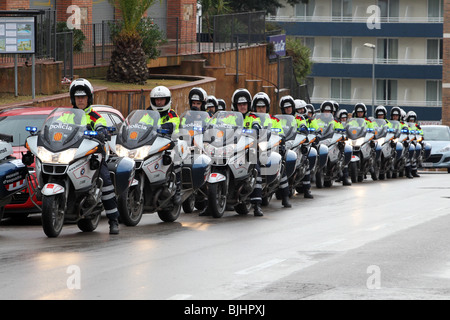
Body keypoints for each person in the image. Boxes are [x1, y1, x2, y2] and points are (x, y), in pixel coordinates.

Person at [69, 78, 120, 235]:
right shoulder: (67, 116)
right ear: (73, 99)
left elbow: (101, 126)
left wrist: (102, 131)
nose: (80, 100)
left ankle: (114, 221)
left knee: (105, 181)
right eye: (78, 97)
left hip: (93, 156)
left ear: (89, 98)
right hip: (73, 155)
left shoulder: (96, 117)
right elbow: (56, 128)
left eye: (83, 97)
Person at [252, 92, 291, 208]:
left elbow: (282, 135)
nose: (260, 109)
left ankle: (285, 197)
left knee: (281, 165)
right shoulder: (250, 119)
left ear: (267, 107)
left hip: (270, 148)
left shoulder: (274, 120)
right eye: (258, 107)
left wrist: (281, 143)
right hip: (254, 149)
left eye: (262, 107)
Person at [147, 86, 182, 203]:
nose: (159, 102)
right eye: (156, 100)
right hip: (151, 145)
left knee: (176, 161)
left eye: (162, 99)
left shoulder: (172, 114)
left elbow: (172, 124)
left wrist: (162, 128)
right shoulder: (148, 113)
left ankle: (178, 190)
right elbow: (139, 125)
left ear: (167, 100)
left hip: (169, 144)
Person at [232, 88, 264, 216]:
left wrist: (255, 129)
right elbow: (219, 125)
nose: (242, 107)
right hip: (232, 148)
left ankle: (257, 205)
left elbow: (257, 126)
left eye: (244, 104)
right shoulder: (231, 117)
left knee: (255, 168)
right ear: (236, 105)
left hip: (249, 149)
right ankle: (209, 203)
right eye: (240, 104)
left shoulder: (253, 117)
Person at [320, 101, 351, 186]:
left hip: (331, 141)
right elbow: (313, 128)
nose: (327, 113)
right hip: (321, 141)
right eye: (325, 111)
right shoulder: (317, 121)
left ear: (332, 112)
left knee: (343, 151)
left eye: (328, 111)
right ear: (322, 111)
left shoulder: (335, 122)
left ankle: (345, 176)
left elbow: (341, 129)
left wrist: (342, 133)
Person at [293, 99, 318, 199]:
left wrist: (318, 134)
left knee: (306, 160)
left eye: (303, 109)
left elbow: (317, 129)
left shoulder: (310, 120)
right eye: (299, 110)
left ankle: (307, 189)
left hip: (308, 142)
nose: (301, 111)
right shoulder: (293, 119)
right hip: (294, 142)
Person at [405, 110, 422, 178]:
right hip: (408, 141)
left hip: (415, 141)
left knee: (415, 155)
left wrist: (420, 137)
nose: (411, 121)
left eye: (413, 120)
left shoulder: (417, 126)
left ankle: (414, 171)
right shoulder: (406, 125)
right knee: (408, 156)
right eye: (410, 119)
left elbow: (421, 133)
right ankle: (409, 171)